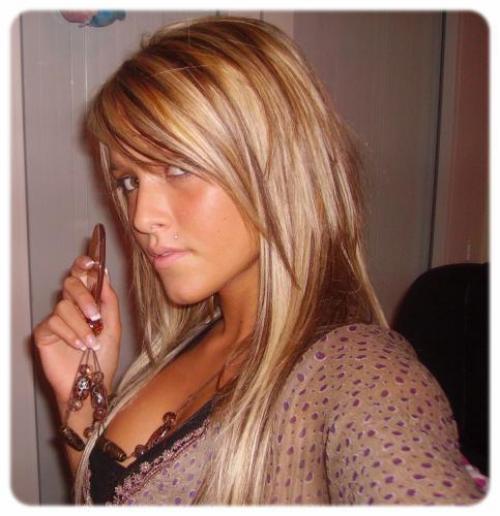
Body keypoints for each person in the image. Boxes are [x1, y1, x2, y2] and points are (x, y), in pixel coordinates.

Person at [33, 15, 487, 505]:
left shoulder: (362, 374)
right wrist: (80, 397)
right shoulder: (191, 342)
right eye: (129, 181)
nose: (141, 217)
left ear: (281, 166)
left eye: (179, 167)